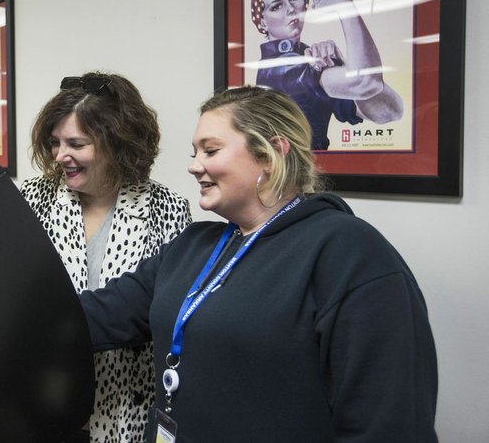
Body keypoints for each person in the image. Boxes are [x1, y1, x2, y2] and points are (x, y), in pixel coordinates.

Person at [79, 85, 437, 442]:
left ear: (271, 154)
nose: (193, 166)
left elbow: (389, 421)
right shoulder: (192, 246)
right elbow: (100, 315)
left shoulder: (348, 253)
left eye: (211, 150)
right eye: (195, 151)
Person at [20, 72, 192, 443]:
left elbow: (169, 315)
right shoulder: (34, 200)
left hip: (126, 409)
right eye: (55, 143)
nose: (60, 156)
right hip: (42, 400)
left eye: (76, 144)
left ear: (116, 143)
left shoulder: (166, 209)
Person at [249, 0, 403, 150]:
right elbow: (365, 82)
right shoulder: (276, 69)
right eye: (276, 7)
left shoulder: (310, 61)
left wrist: (343, 64)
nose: (290, 9)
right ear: (262, 22)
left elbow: (390, 112)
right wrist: (344, 5)